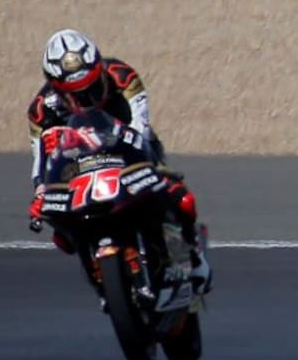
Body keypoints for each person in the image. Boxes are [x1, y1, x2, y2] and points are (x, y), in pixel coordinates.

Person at [27, 29, 211, 305]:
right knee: (61, 233)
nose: (87, 98)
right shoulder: (41, 110)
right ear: (56, 88)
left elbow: (141, 126)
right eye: (77, 95)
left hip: (131, 148)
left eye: (92, 88)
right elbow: (40, 161)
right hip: (80, 164)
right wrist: (41, 191)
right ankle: (101, 279)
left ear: (99, 69)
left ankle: (192, 257)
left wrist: (143, 161)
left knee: (176, 195)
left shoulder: (122, 76)